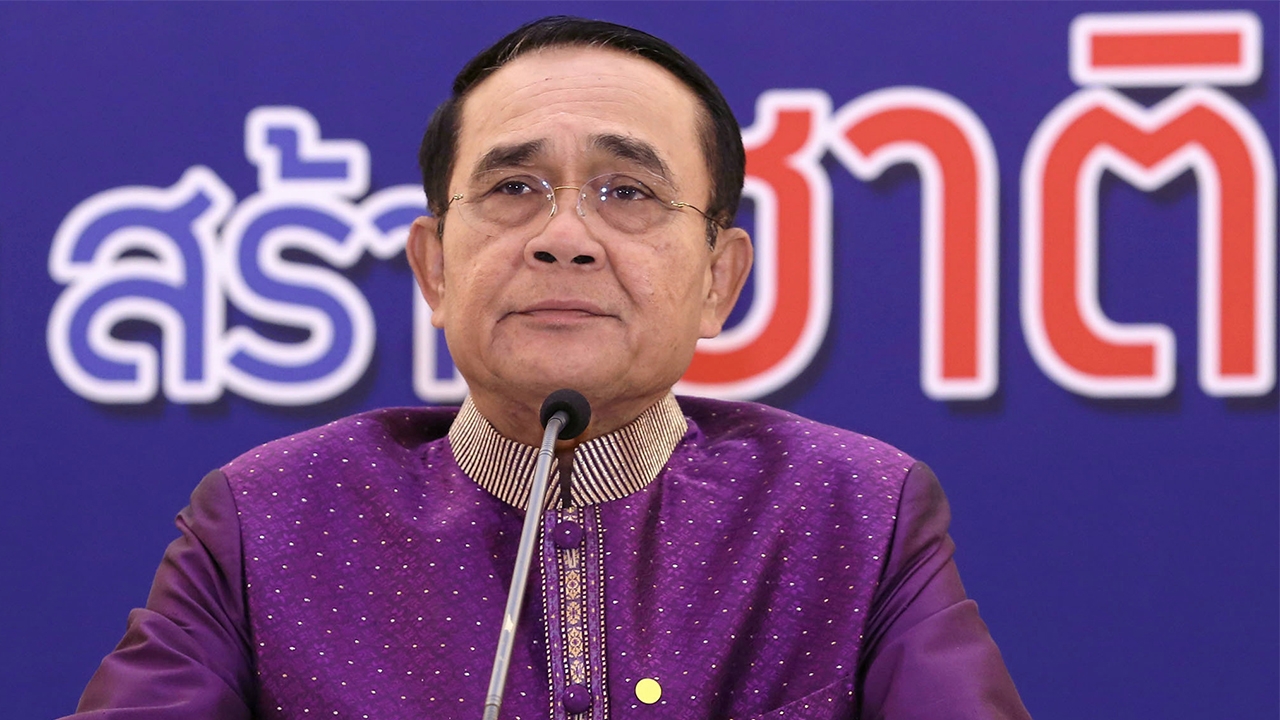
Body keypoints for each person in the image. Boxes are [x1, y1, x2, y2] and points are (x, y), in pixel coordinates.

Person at [67, 16, 1031, 720]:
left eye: (629, 192)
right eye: (513, 187)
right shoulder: (267, 523)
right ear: (434, 269)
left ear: (719, 279)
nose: (563, 236)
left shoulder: (854, 516)